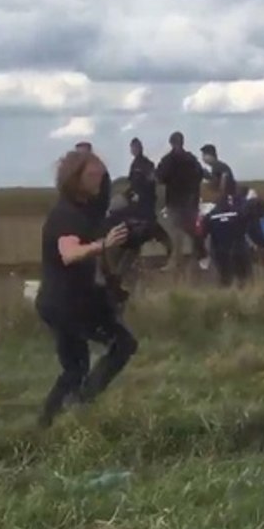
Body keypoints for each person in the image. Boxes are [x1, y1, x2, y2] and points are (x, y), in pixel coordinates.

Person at [35, 150, 137, 429]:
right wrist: (104, 244)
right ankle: (76, 404)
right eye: (92, 175)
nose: (99, 179)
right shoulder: (66, 215)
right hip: (65, 305)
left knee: (76, 367)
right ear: (75, 179)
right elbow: (69, 253)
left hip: (72, 301)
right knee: (118, 346)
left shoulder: (86, 209)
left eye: (101, 174)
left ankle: (50, 420)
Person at [156, 131, 206, 271]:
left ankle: (176, 262)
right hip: (190, 201)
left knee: (176, 233)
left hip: (176, 201)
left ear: (171, 143)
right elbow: (200, 175)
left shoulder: (168, 160)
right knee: (192, 232)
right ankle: (197, 259)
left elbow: (159, 177)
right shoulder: (191, 159)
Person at [202, 188, 264, 288]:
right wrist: (263, 245)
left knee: (224, 281)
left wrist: (202, 253)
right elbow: (254, 231)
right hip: (238, 251)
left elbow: (201, 234)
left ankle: (226, 297)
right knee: (244, 280)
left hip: (219, 253)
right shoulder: (240, 213)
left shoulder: (210, 216)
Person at [126, 137, 173, 262]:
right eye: (133, 148)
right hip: (138, 206)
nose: (134, 150)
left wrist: (141, 194)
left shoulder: (146, 164)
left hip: (146, 203)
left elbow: (151, 181)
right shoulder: (134, 165)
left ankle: (170, 251)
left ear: (140, 148)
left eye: (136, 147)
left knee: (150, 228)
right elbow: (131, 184)